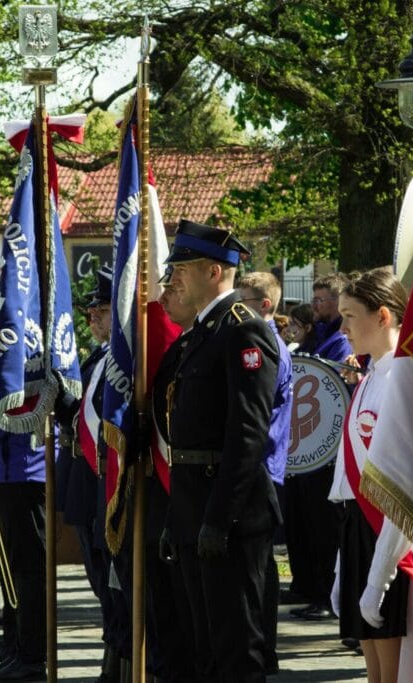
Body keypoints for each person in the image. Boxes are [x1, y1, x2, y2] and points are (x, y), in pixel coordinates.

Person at [163, 219, 280, 680]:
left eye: (183, 268)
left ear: (214, 272)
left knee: (237, 648)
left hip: (229, 512)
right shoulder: (201, 333)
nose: (173, 278)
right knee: (205, 648)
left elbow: (247, 433)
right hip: (195, 505)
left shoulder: (242, 331)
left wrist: (220, 518)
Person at [324, 268, 413, 682]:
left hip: (387, 532)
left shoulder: (401, 377)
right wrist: (346, 562)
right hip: (359, 524)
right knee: (372, 663)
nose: (343, 327)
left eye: (350, 315)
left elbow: (401, 478)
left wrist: (381, 573)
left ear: (383, 316)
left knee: (394, 661)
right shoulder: (370, 375)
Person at [50, 265, 122, 679]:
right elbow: (81, 417)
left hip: (106, 479)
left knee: (114, 582)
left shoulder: (123, 360)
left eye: (101, 310)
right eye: (90, 311)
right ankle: (112, 654)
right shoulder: (98, 356)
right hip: (84, 476)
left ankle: (120, 658)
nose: (91, 317)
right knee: (100, 579)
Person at [0, 362, 48, 681]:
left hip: (21, 472)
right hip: (9, 470)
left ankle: (29, 656)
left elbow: (2, 409)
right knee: (14, 566)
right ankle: (17, 646)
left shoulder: (23, 358)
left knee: (26, 569)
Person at [284, 276, 353, 622]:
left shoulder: (342, 343)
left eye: (323, 299)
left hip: (328, 451)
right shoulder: (317, 338)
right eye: (315, 298)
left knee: (324, 529)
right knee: (303, 523)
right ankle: (309, 586)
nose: (316, 304)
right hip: (307, 449)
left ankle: (326, 593)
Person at [237, 271, 294, 674]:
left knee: (257, 569)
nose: (237, 311)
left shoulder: (266, 343)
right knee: (260, 568)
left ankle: (263, 650)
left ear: (266, 306)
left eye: (245, 303)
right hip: (261, 465)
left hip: (262, 466)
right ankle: (263, 648)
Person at [147, 268, 196, 681]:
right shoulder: (183, 348)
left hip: (205, 496)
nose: (161, 300)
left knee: (213, 631)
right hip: (176, 498)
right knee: (170, 608)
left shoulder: (235, 337)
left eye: (174, 288)